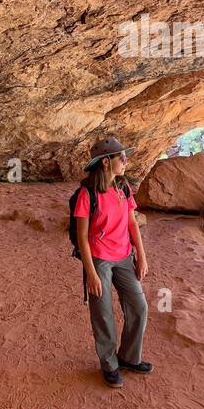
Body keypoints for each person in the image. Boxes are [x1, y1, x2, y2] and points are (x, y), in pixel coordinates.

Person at [73, 137, 153, 388]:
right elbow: (82, 238)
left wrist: (141, 256)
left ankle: (128, 357)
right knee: (104, 314)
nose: (125, 161)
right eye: (122, 157)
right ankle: (109, 364)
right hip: (100, 260)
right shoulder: (87, 194)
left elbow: (132, 225)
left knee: (139, 307)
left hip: (124, 256)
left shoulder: (123, 188)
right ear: (106, 162)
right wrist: (92, 273)